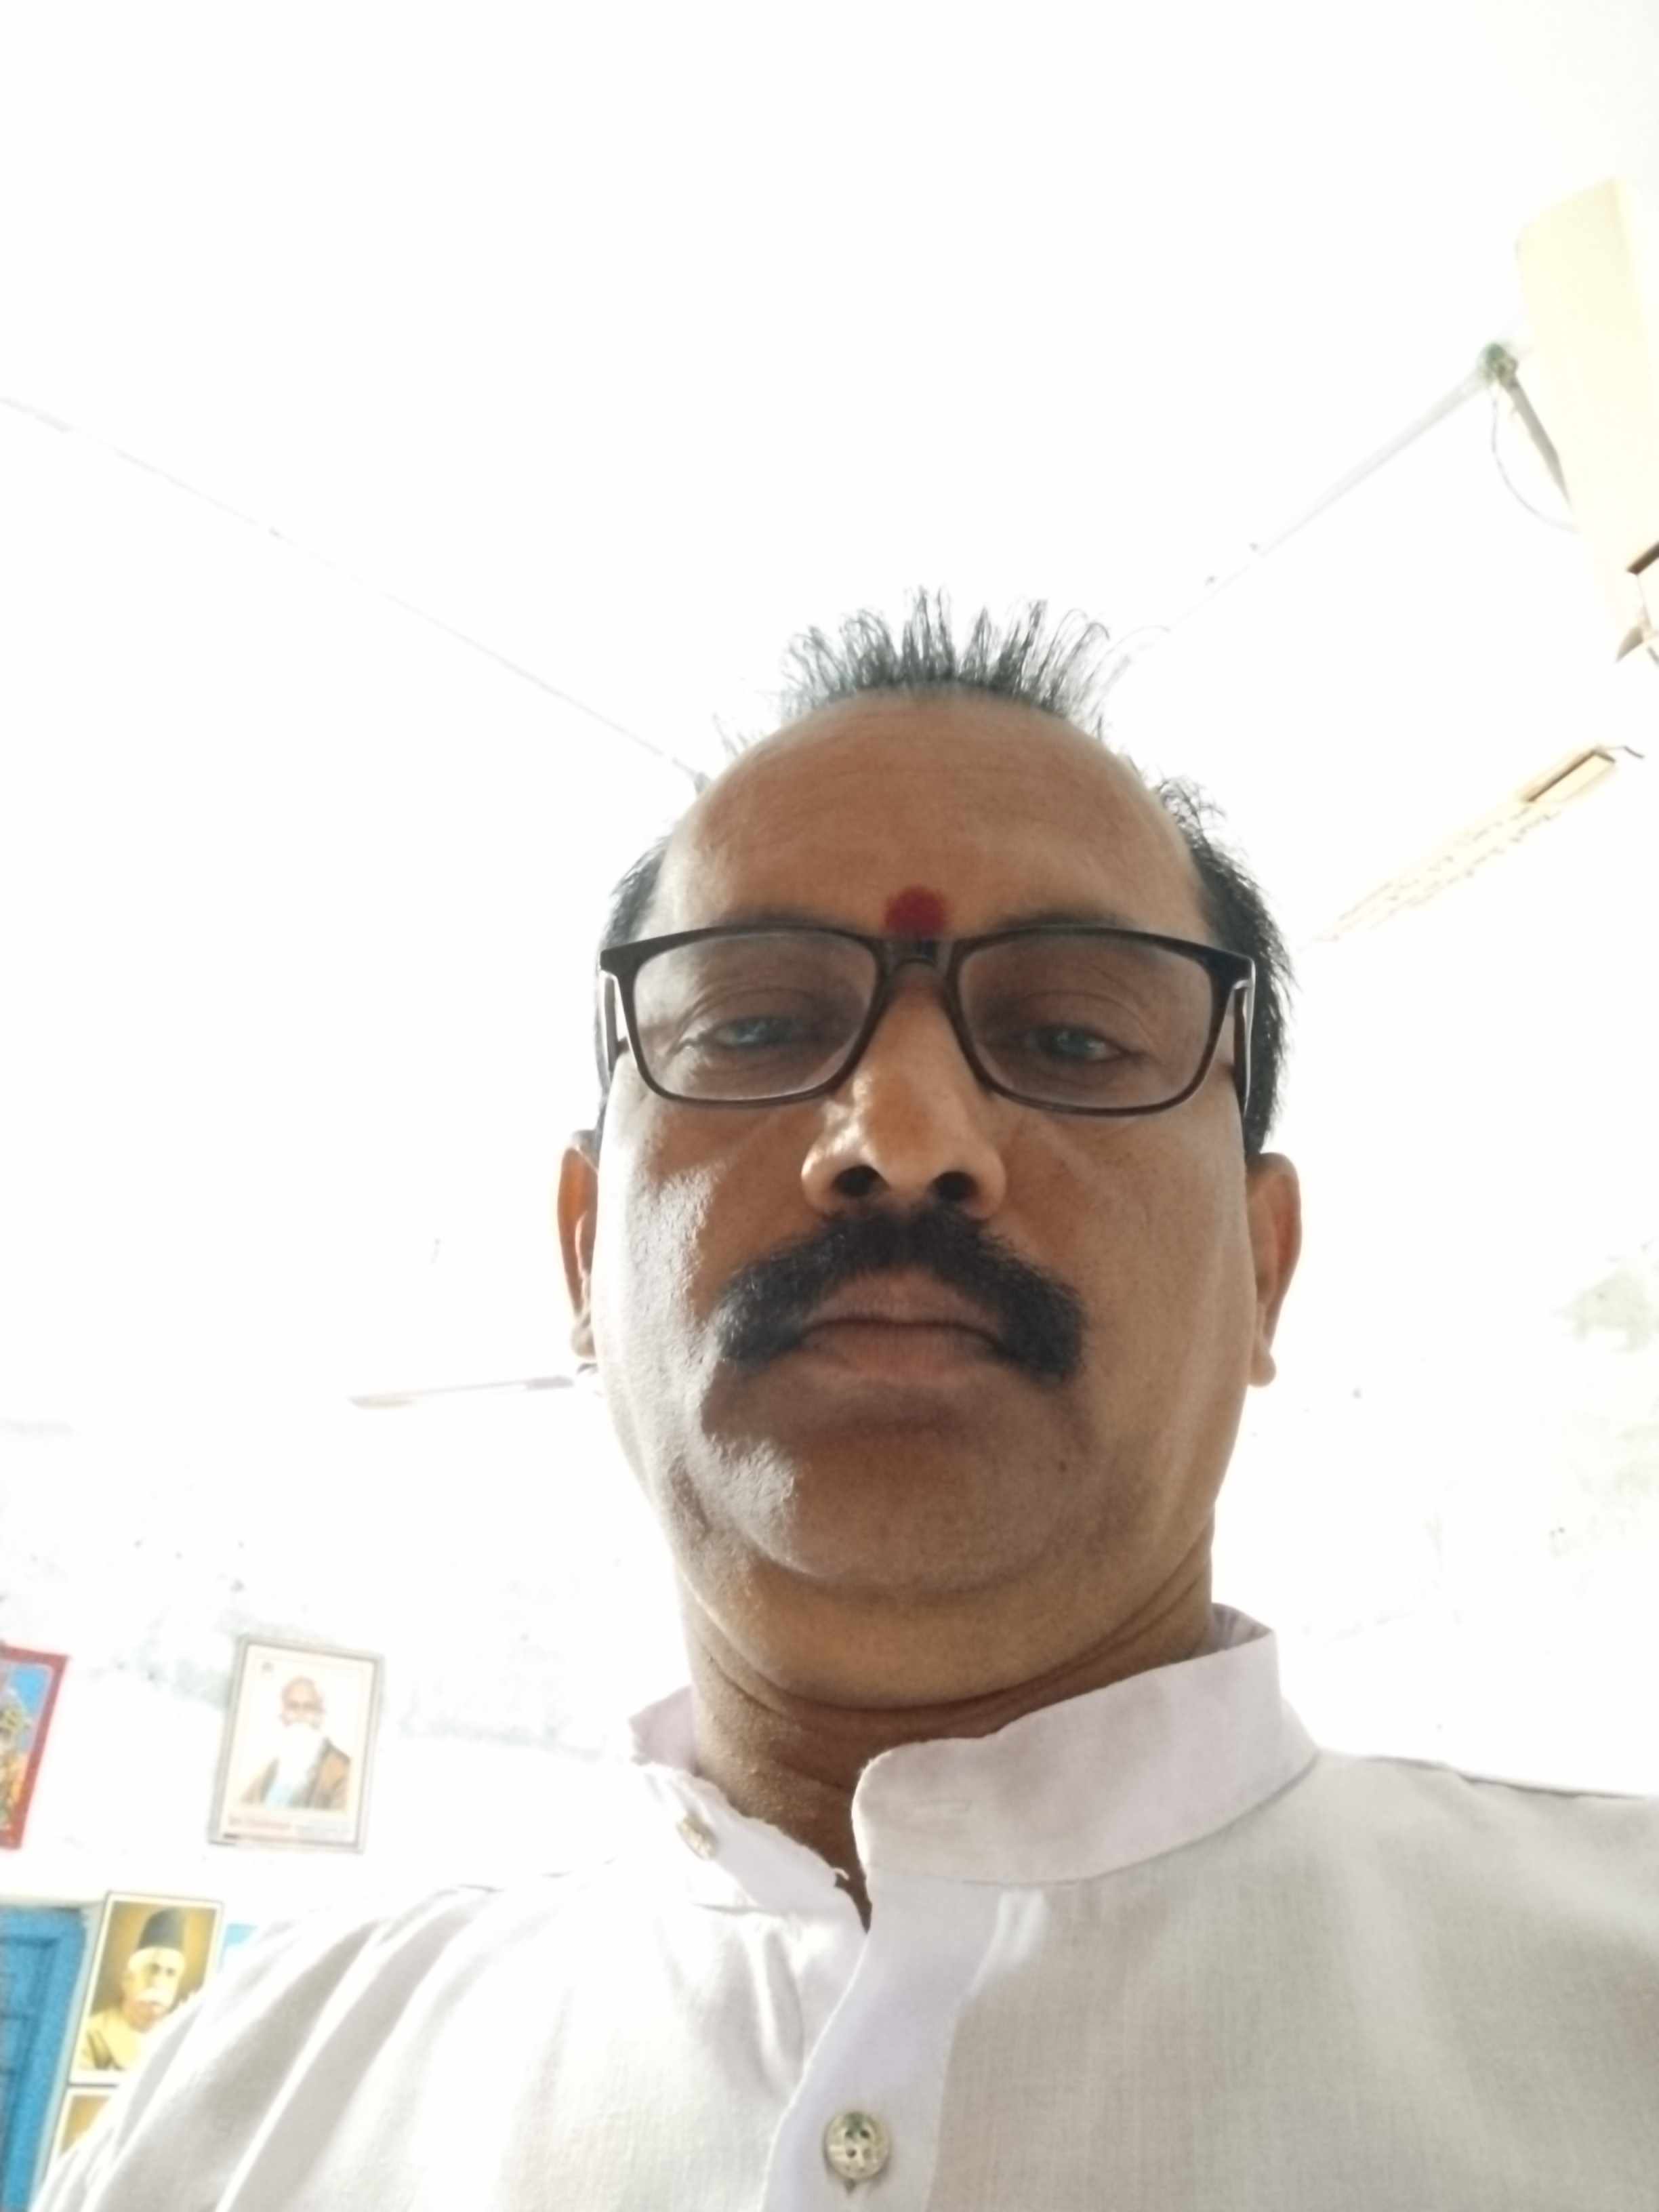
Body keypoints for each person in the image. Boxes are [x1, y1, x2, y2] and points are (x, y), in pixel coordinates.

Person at [41, 592, 1659, 2208]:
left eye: (1072, 1036)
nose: (903, 1132)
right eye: (753, 1025)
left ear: (1265, 1265)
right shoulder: (246, 2109)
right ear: (586, 1252)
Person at [73, 1909, 188, 2074]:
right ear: (127, 1979)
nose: (159, 1982)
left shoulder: (186, 2039)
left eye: (170, 1973)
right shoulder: (91, 2034)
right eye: (152, 1970)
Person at [239, 1675, 351, 1811]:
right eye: (293, 1706)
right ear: (283, 1715)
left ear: (321, 1715)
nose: (300, 1714)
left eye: (309, 1707)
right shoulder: (270, 1770)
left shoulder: (342, 1769)